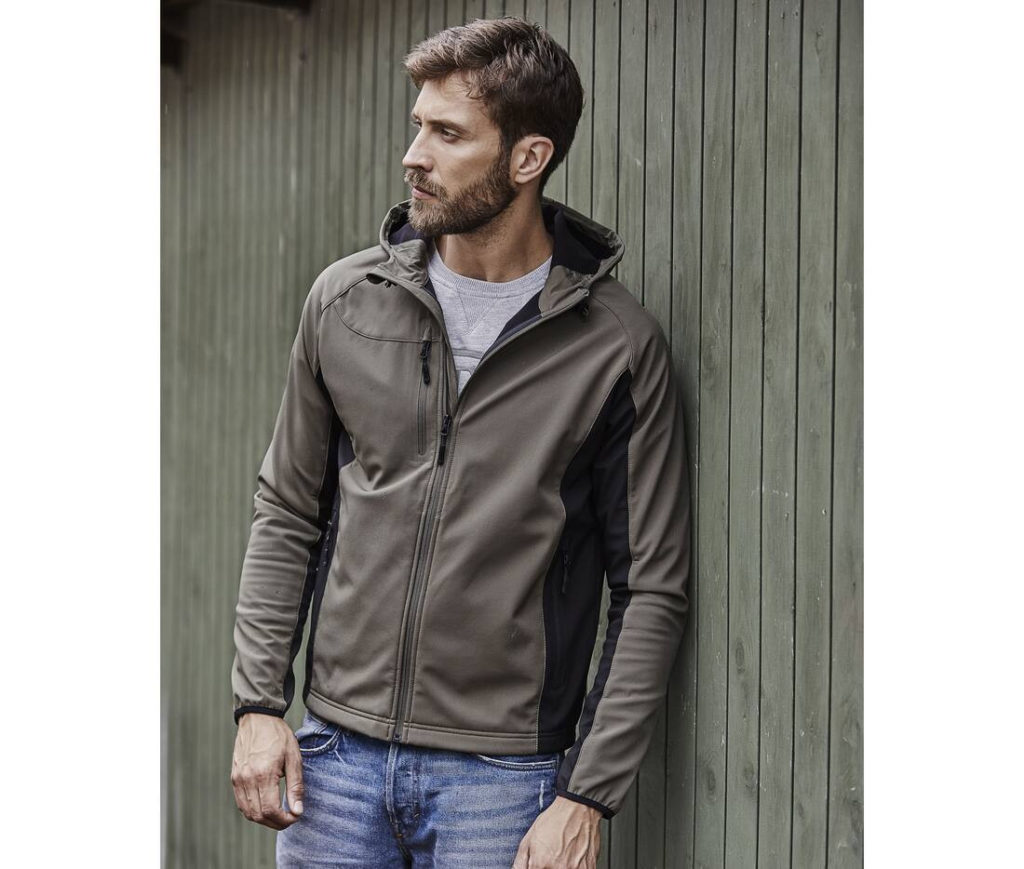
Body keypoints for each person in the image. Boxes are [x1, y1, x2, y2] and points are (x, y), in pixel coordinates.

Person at [230, 16, 691, 869]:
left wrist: (587, 794)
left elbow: (651, 588)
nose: (414, 155)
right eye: (418, 126)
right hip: (334, 760)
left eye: (448, 134)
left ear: (528, 157)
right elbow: (288, 510)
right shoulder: (345, 302)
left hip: (502, 780)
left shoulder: (614, 347)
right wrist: (259, 703)